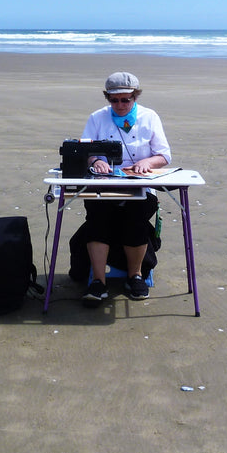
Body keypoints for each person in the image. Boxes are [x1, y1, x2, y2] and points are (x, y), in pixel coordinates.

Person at [80, 71, 171, 307]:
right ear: (108, 99)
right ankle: (98, 282)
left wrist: (146, 163)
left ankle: (135, 276)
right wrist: (94, 161)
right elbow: (85, 150)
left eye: (125, 99)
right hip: (103, 185)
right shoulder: (97, 118)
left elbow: (164, 155)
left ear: (135, 97)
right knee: (97, 220)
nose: (120, 104)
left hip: (140, 187)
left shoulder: (150, 117)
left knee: (136, 221)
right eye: (114, 100)